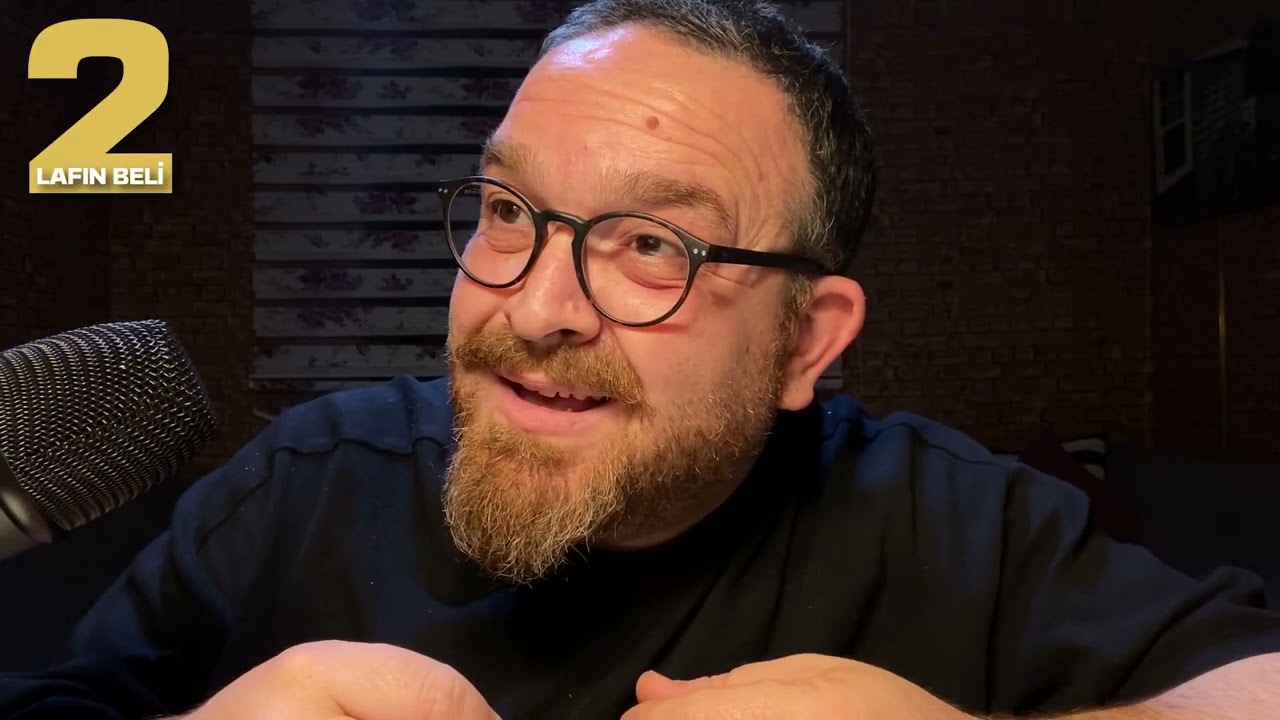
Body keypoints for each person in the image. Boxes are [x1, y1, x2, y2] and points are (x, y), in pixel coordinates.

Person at [4, 0, 1280, 717]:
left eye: (652, 245)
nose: (536, 306)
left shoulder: (951, 524)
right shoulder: (308, 485)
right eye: (509, 212)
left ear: (807, 340)